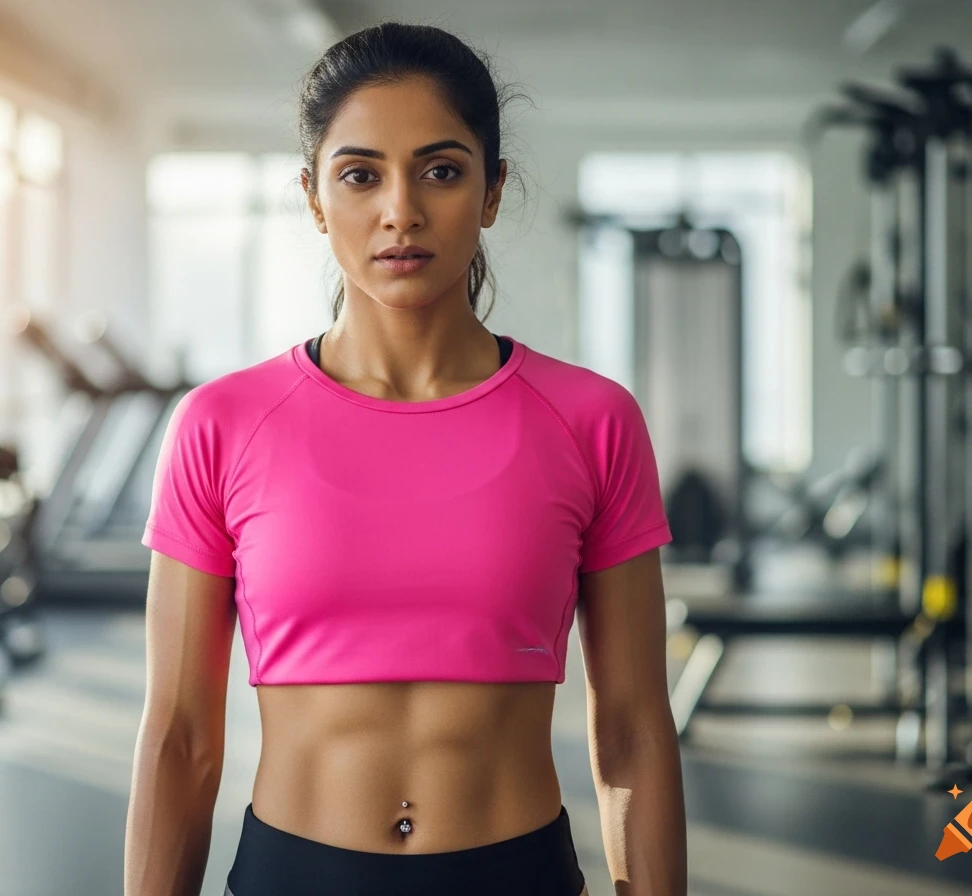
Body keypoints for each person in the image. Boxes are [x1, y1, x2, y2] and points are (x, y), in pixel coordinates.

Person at [124, 21, 687, 896]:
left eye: (442, 170)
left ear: (493, 190)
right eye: (360, 175)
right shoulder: (222, 424)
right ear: (314, 198)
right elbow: (181, 740)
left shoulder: (591, 421)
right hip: (291, 875)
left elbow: (634, 732)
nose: (401, 210)